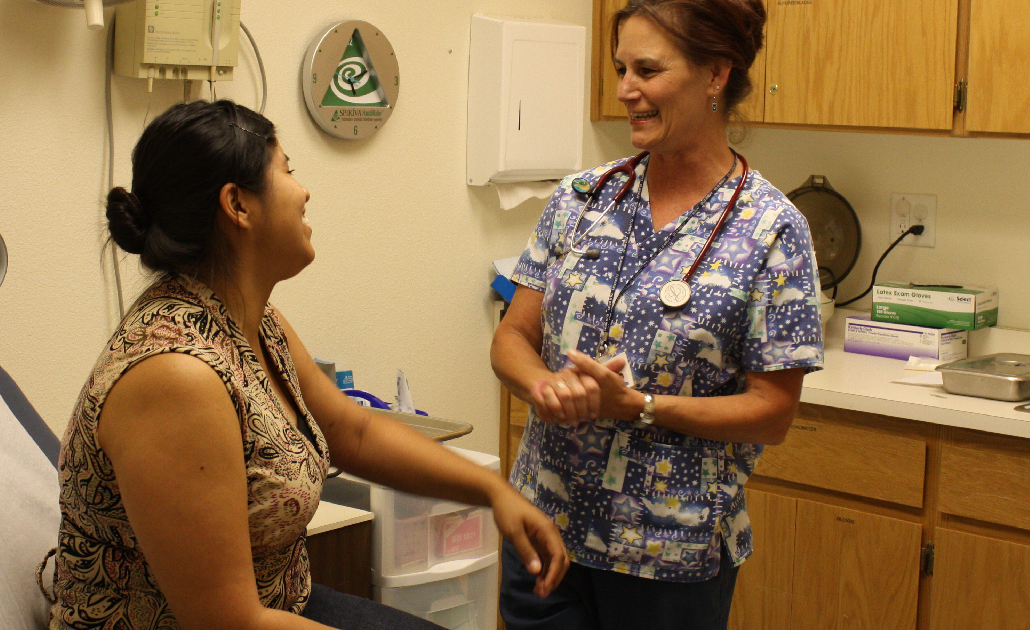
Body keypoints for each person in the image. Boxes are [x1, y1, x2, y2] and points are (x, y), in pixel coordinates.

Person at [43, 99, 569, 630]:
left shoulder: (250, 318)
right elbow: (226, 622)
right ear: (238, 206)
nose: (304, 190)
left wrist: (493, 492)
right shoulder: (174, 377)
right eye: (287, 170)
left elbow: (353, 431)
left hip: (280, 607)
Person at [490, 1, 824, 629]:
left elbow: (772, 413)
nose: (626, 91)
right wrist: (544, 384)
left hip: (669, 557)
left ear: (715, 74)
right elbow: (512, 335)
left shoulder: (773, 229)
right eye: (621, 69)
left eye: (647, 69)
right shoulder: (580, 199)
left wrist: (640, 407)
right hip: (545, 530)